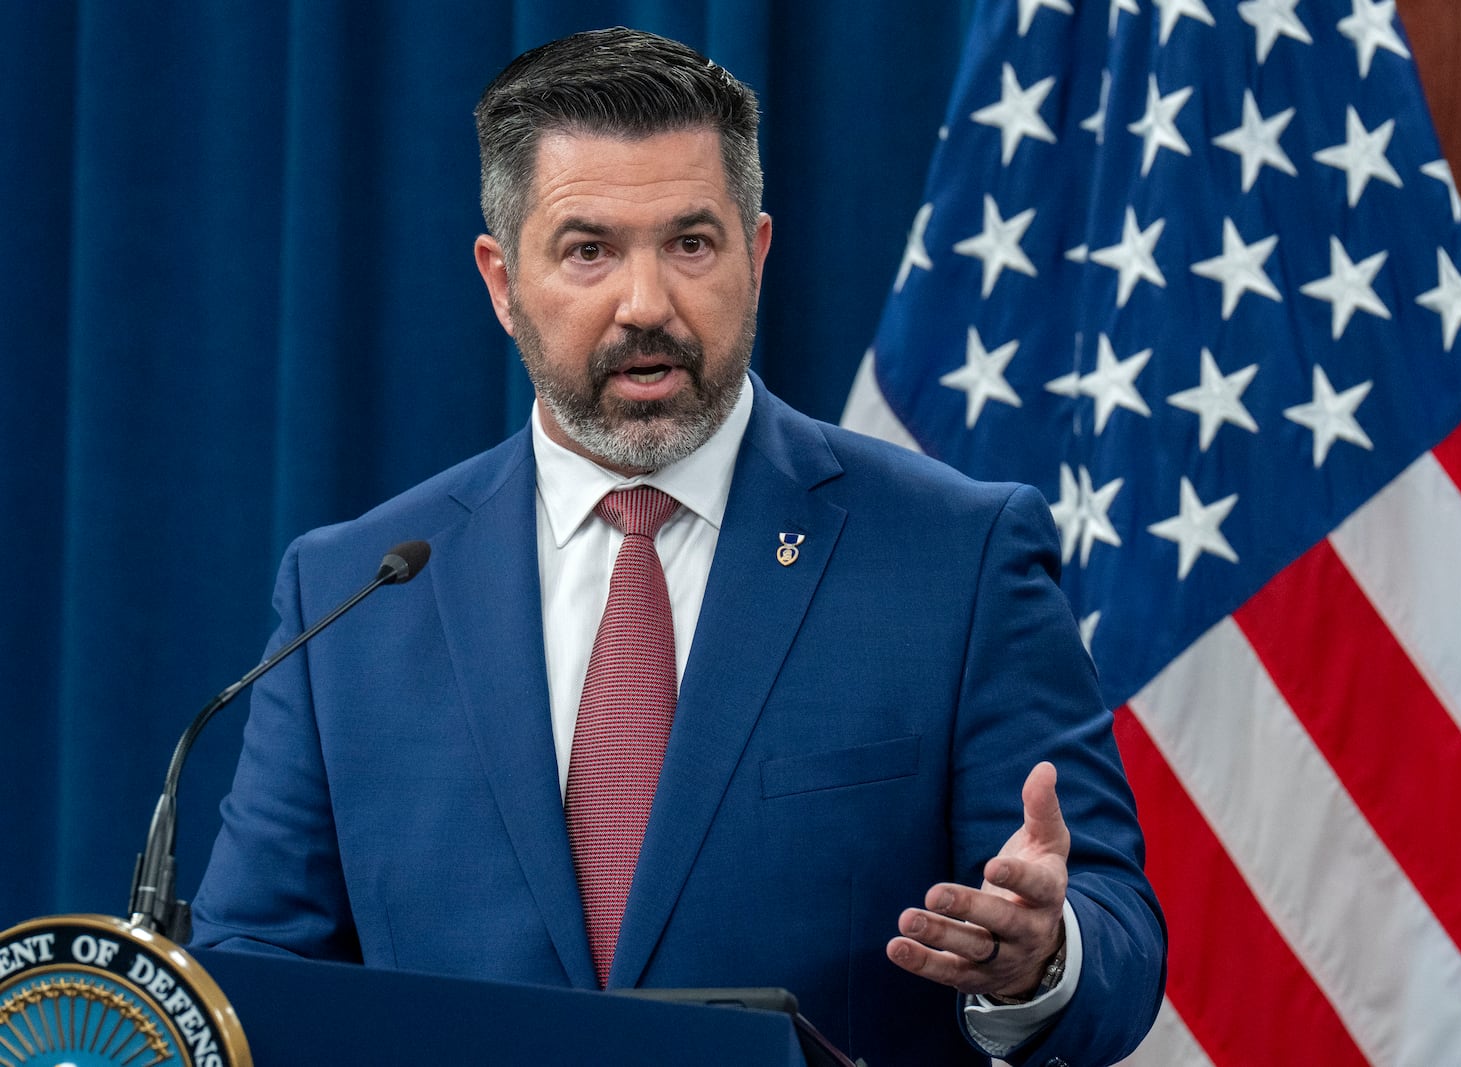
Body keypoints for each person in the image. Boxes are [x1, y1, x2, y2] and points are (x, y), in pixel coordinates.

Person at [189, 26, 1165, 1067]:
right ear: (500, 280)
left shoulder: (959, 555)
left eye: (690, 244)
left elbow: (1116, 930)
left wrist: (1041, 956)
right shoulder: (354, 589)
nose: (646, 304)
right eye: (588, 249)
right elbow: (248, 968)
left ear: (757, 254)